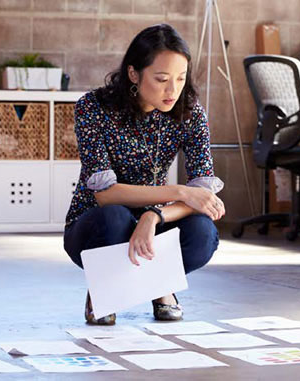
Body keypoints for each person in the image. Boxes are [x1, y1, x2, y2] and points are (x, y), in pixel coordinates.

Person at [63, 24, 225, 325]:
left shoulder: (189, 112)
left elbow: (202, 194)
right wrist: (179, 191)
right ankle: (103, 288)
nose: (172, 90)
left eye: (180, 78)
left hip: (155, 221)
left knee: (202, 233)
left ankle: (160, 284)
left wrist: (154, 216)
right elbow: (106, 194)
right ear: (134, 74)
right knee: (116, 218)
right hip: (96, 222)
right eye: (162, 79)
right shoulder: (93, 108)